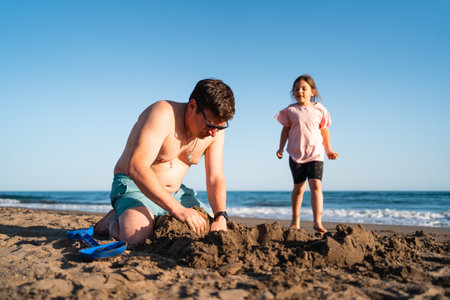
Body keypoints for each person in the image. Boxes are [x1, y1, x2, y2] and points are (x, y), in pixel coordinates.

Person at [94, 79, 235, 245]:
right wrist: (178, 210)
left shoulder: (215, 133)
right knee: (136, 239)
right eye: (210, 125)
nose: (213, 133)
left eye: (220, 127)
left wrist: (220, 216)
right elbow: (136, 167)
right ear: (192, 106)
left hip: (177, 194)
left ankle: (138, 215)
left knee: (210, 231)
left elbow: (215, 177)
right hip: (135, 186)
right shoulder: (162, 113)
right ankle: (113, 220)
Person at [275, 74, 338, 233]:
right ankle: (295, 220)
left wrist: (329, 149)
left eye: (304, 88)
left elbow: (325, 131)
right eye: (296, 89)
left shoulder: (320, 109)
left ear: (312, 92)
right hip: (296, 154)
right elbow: (285, 130)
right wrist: (280, 148)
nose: (300, 91)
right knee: (299, 188)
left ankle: (317, 222)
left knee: (316, 185)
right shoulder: (290, 110)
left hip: (315, 154)